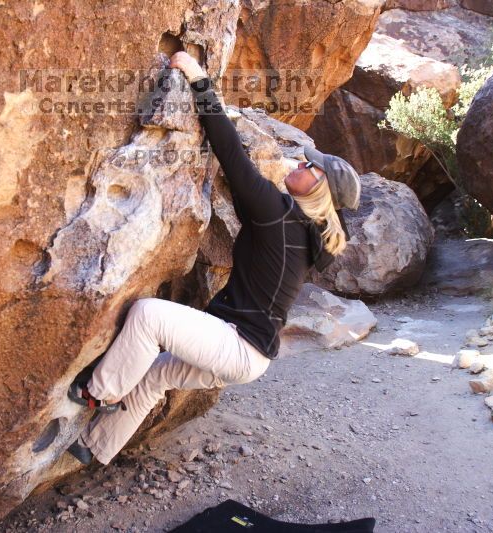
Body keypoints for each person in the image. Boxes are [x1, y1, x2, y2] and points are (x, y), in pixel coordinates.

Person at [64, 51, 361, 466]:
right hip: (249, 353)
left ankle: (98, 393)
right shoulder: (300, 232)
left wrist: (198, 78)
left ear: (319, 188)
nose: (301, 161)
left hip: (237, 345)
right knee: (157, 374)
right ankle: (95, 448)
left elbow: (230, 152)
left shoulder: (278, 214)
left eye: (311, 166)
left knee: (149, 316)